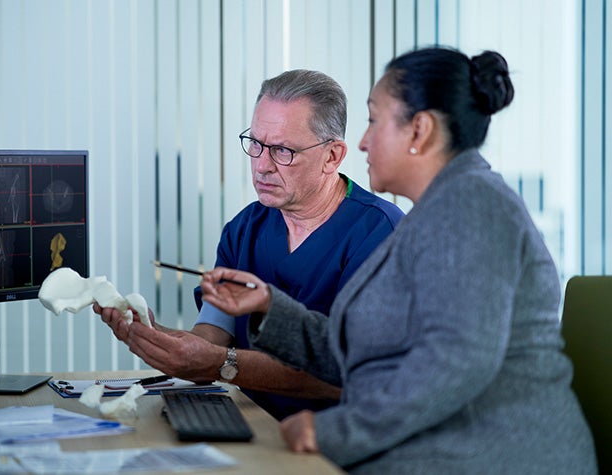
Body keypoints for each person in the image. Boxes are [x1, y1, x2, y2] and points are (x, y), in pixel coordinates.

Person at [198, 47, 597, 473]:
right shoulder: (433, 214)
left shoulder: (473, 206)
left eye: (373, 120)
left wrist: (335, 431)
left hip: (493, 456)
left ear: (419, 130)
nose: (363, 142)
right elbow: (362, 350)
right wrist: (269, 309)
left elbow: (456, 363)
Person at [95, 69, 405, 420]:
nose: (261, 166)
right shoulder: (245, 228)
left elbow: (353, 374)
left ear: (332, 156)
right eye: (255, 144)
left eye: (282, 151)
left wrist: (221, 365)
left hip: (333, 442)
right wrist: (153, 336)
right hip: (251, 422)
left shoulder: (380, 234)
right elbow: (211, 341)